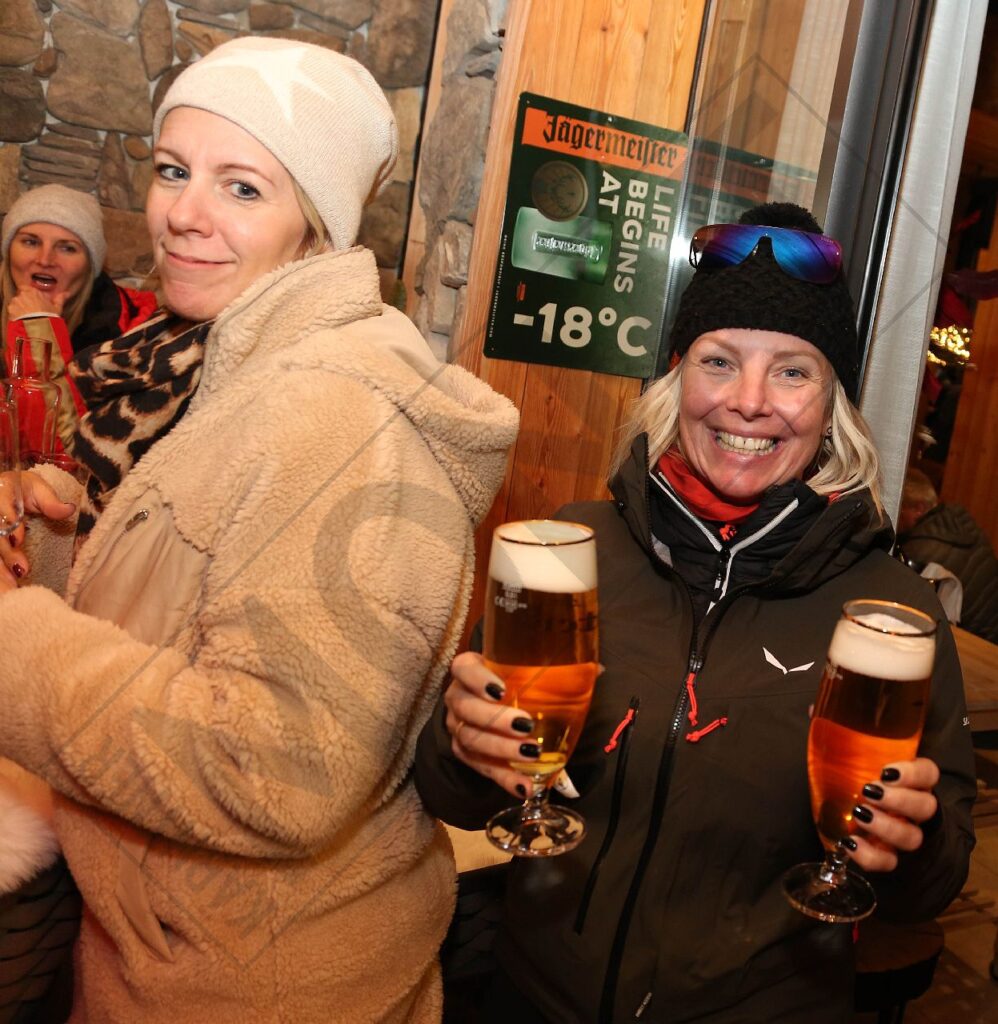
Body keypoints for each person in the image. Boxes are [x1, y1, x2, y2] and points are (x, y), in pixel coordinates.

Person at [0, 37, 518, 1023]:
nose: (183, 212)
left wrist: (12, 640)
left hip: (253, 986)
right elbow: (197, 610)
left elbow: (276, 767)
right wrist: (60, 542)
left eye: (242, 187)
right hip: (172, 955)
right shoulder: (234, 364)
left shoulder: (338, 420)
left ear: (315, 223)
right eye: (173, 170)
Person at [415, 203, 977, 1023]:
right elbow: (454, 795)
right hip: (531, 1000)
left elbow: (933, 885)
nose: (749, 403)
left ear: (833, 405)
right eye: (720, 362)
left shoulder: (893, 614)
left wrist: (909, 843)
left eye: (792, 372)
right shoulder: (569, 554)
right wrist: (463, 744)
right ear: (677, 381)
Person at [1, 184, 157, 452]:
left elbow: (69, 454)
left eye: (67, 248)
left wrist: (38, 327)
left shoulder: (131, 337)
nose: (45, 259)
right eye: (30, 242)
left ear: (89, 265)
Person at [897, 467, 998, 644]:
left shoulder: (919, 550)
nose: (897, 515)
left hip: (977, 643)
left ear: (919, 508)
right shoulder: (961, 522)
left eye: (901, 507)